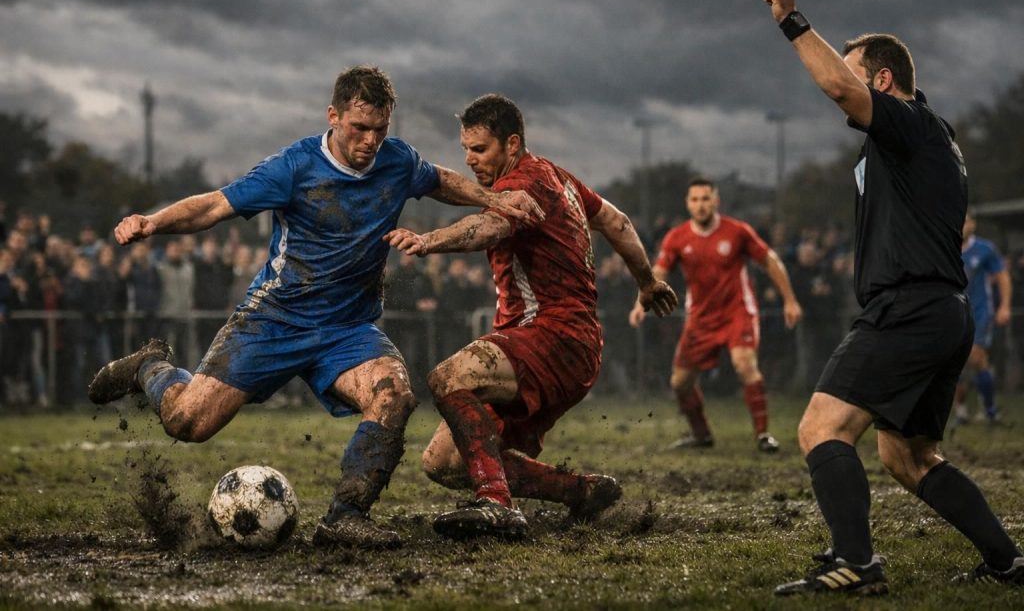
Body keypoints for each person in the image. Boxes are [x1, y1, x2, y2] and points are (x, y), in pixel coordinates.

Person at [87, 66, 541, 549]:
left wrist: (493, 197)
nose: (370, 141)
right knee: (187, 423)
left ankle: (346, 515)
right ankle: (151, 368)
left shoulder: (397, 160)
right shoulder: (294, 167)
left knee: (394, 395)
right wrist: (152, 223)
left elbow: (437, 180)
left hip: (347, 328)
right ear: (334, 116)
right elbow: (214, 206)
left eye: (380, 130)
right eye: (358, 128)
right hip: (275, 320)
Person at [763, 0, 1023, 595]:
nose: (847, 88)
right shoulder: (916, 138)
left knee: (820, 429)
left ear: (882, 80)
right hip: (941, 310)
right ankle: (1008, 561)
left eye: (859, 76)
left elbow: (836, 87)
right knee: (907, 457)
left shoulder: (909, 120)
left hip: (910, 307)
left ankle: (857, 563)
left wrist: (792, 22)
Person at [385, 93, 678, 538]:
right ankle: (580, 492)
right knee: (442, 462)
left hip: (553, 336)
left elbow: (492, 225)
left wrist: (429, 241)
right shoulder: (560, 178)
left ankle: (497, 505)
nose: (470, 160)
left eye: (480, 149)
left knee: (450, 378)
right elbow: (618, 222)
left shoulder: (525, 181)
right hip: (568, 344)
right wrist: (647, 282)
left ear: (512, 144)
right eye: (465, 150)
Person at [628, 177, 802, 453]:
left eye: (706, 198)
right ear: (688, 203)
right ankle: (701, 435)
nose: (701, 205)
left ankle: (763, 434)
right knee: (680, 383)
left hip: (738, 312)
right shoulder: (677, 237)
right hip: (700, 319)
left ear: (716, 201)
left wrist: (790, 300)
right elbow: (659, 273)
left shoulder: (737, 232)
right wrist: (641, 304)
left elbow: (770, 261)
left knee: (744, 364)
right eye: (695, 199)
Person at [954, 210, 1012, 425]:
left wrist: (1004, 306)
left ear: (973, 225)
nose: (963, 225)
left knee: (976, 357)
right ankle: (961, 412)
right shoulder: (945, 250)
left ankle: (990, 410)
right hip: (953, 314)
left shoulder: (985, 249)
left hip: (980, 311)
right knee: (954, 363)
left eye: (966, 221)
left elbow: (1002, 277)